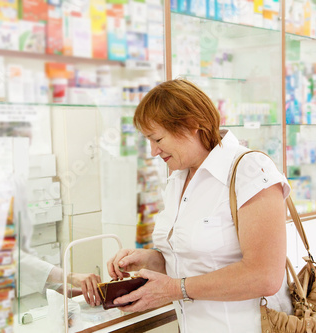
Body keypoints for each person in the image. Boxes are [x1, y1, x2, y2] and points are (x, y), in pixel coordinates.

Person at [105, 79, 293, 332]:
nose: (153, 151)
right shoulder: (178, 179)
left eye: (158, 139)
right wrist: (151, 259)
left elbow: (264, 276)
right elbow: (192, 260)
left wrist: (174, 289)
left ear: (191, 125)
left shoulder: (249, 170)